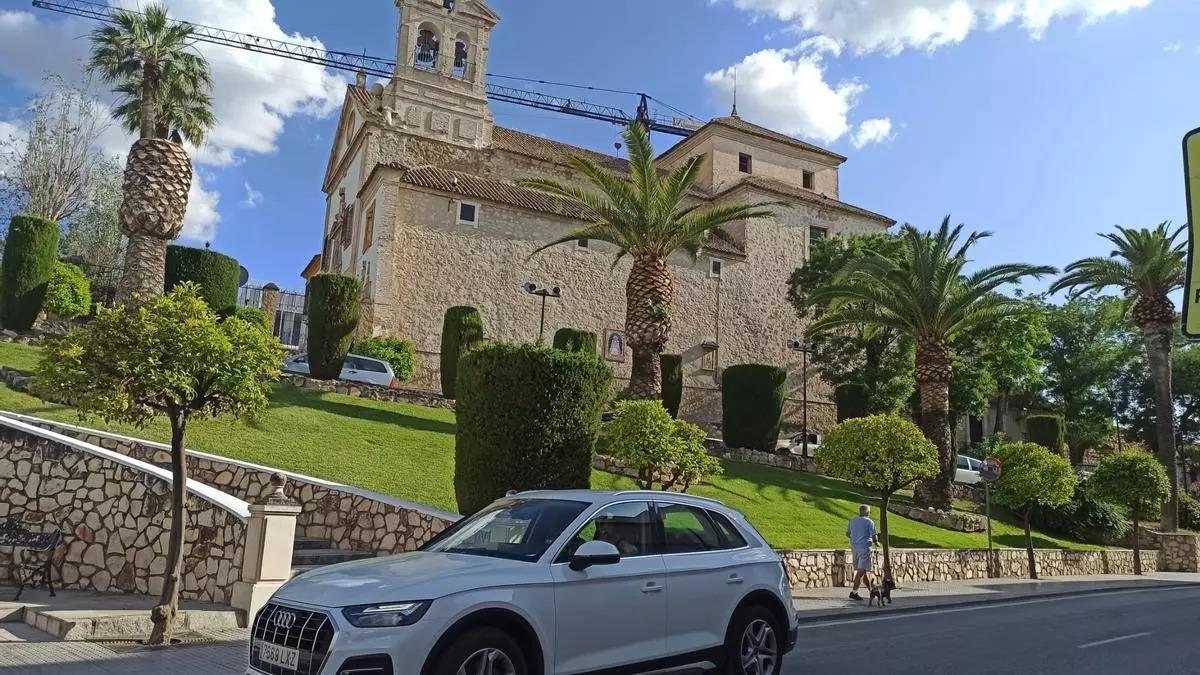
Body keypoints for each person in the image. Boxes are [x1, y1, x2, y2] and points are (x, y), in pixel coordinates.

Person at [846, 504, 879, 601]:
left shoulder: (852, 521)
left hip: (855, 548)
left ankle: (871, 591)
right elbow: (874, 537)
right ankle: (854, 592)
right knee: (861, 572)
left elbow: (848, 534)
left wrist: (855, 538)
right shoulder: (869, 522)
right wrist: (877, 543)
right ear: (868, 512)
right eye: (869, 512)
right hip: (865, 549)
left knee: (863, 572)